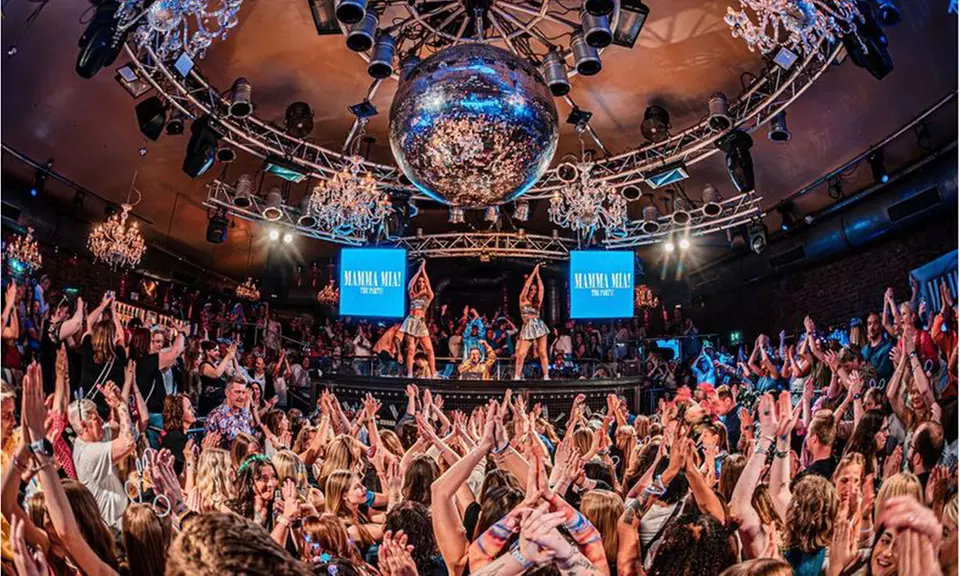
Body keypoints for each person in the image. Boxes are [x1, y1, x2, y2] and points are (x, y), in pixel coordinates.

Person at [68, 364, 137, 529]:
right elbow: (128, 442)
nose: (101, 420)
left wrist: (114, 403)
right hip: (112, 527)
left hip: (120, 520)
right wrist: (121, 406)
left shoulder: (94, 437)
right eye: (95, 418)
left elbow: (117, 427)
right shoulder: (88, 453)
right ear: (84, 425)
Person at [399, 260, 436, 378]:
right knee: (411, 349)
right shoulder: (413, 295)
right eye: (419, 282)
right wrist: (418, 272)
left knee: (429, 350)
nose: (421, 283)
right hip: (411, 321)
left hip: (420, 322)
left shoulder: (429, 296)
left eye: (422, 281)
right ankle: (409, 374)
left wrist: (423, 270)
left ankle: (433, 374)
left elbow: (428, 285)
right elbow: (410, 285)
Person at [513, 263, 549, 380]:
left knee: (542, 352)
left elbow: (542, 289)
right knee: (521, 354)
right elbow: (526, 286)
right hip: (528, 326)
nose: (533, 291)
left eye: (535, 289)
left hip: (538, 326)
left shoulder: (537, 303)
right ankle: (517, 376)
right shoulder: (523, 300)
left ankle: (546, 376)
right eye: (532, 289)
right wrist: (533, 273)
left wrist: (538, 275)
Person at [204, 377, 255, 449]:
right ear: (227, 392)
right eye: (237, 392)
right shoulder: (215, 416)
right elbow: (209, 449)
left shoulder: (245, 414)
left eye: (243, 392)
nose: (241, 396)